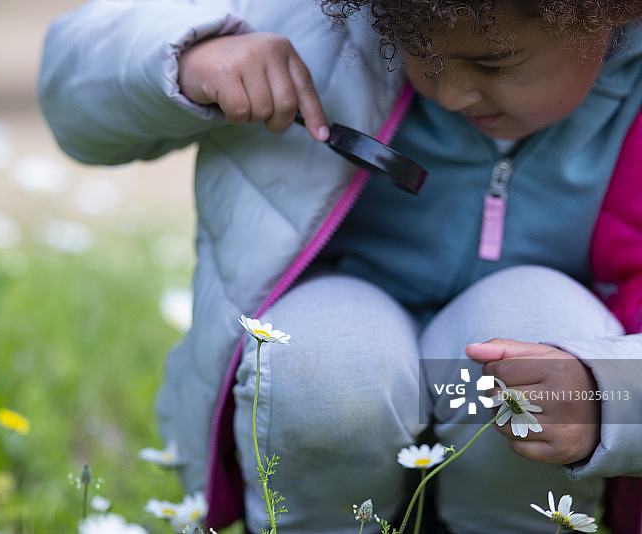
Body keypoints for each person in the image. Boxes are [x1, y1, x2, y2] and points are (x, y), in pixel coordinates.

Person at [38, 1, 642, 532]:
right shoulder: (316, 16)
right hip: (342, 331)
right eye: (422, 52)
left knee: (543, 326)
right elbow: (73, 79)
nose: (452, 92)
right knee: (320, 362)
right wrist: (191, 53)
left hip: (541, 398)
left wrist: (612, 391)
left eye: (493, 64)